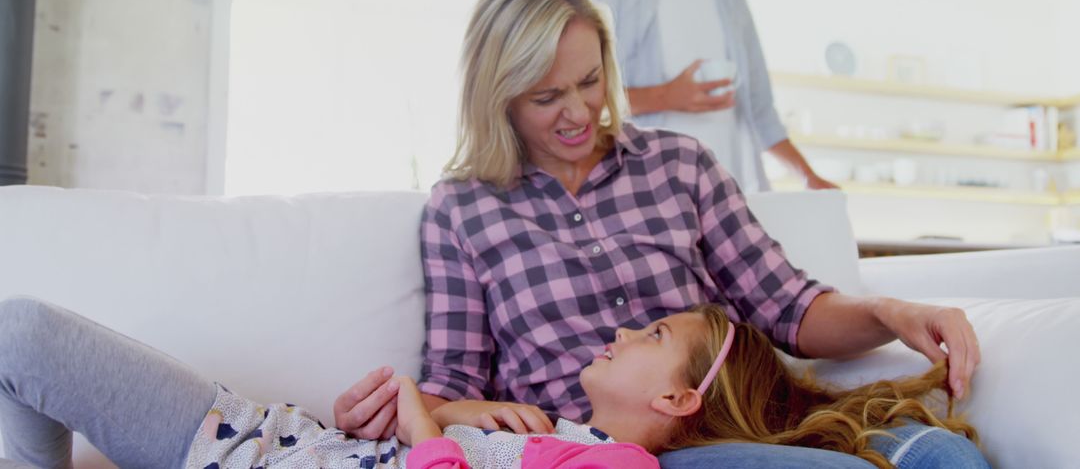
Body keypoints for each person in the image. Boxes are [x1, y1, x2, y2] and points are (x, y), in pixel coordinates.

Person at [332, 0, 982, 468]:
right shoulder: (463, 209)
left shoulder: (679, 165)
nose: (579, 113)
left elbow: (788, 307)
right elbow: (448, 387)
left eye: (590, 81)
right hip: (619, 454)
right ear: (497, 99)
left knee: (942, 455)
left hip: (746, 415)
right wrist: (449, 411)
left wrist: (892, 313)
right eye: (546, 96)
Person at [0, 297, 986, 468]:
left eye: (648, 334)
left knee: (21, 336)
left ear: (681, 399)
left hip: (241, 455)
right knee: (20, 334)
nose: (618, 329)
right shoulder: (562, 432)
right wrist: (438, 412)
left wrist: (428, 420)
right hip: (273, 435)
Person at [590, 0, 835, 193]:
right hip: (648, 191)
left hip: (724, 192)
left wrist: (808, 176)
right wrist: (667, 96)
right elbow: (589, 98)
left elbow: (760, 109)